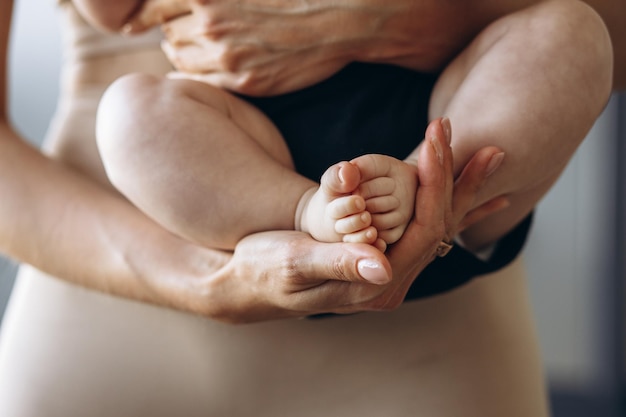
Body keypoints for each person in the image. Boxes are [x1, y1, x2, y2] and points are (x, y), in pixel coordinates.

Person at [0, 1, 617, 417]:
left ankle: (413, 186)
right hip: (182, 211)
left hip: (443, 171)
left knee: (573, 33)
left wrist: (385, 13)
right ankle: (305, 211)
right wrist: (208, 283)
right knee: (131, 114)